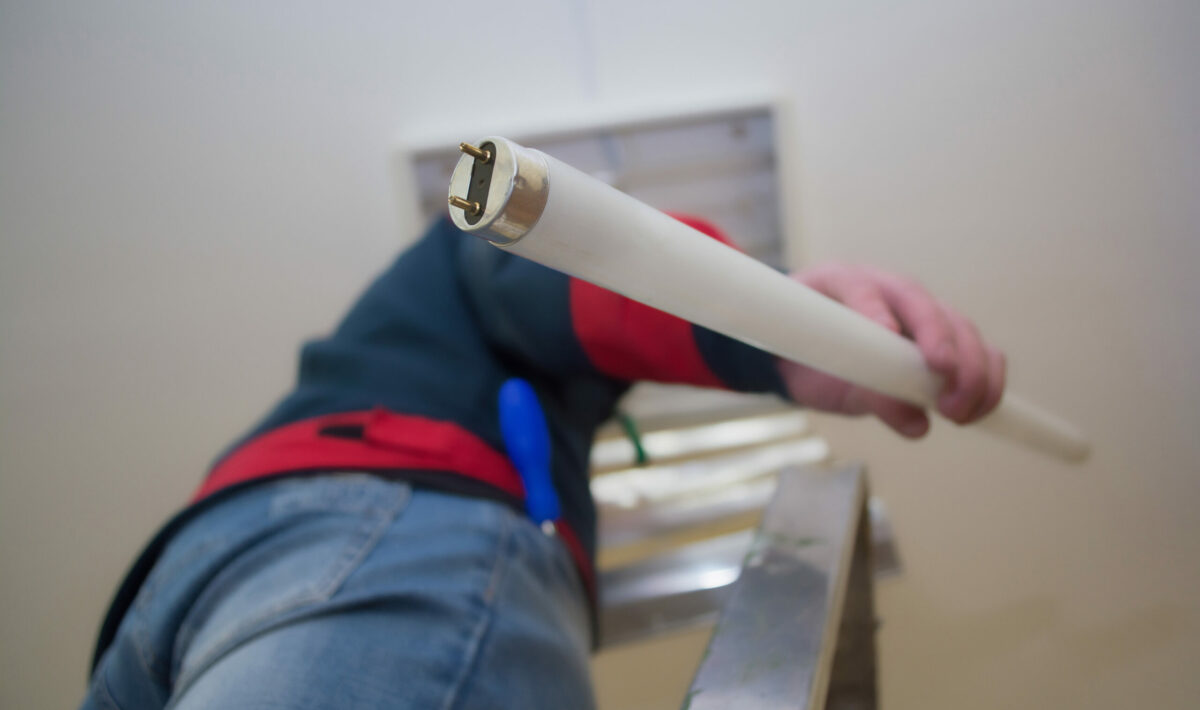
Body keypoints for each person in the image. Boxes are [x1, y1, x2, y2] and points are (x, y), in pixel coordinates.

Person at [81, 214, 1004, 709]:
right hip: (396, 540)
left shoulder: (384, 349)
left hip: (184, 582)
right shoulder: (482, 249)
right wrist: (775, 332)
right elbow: (584, 266)